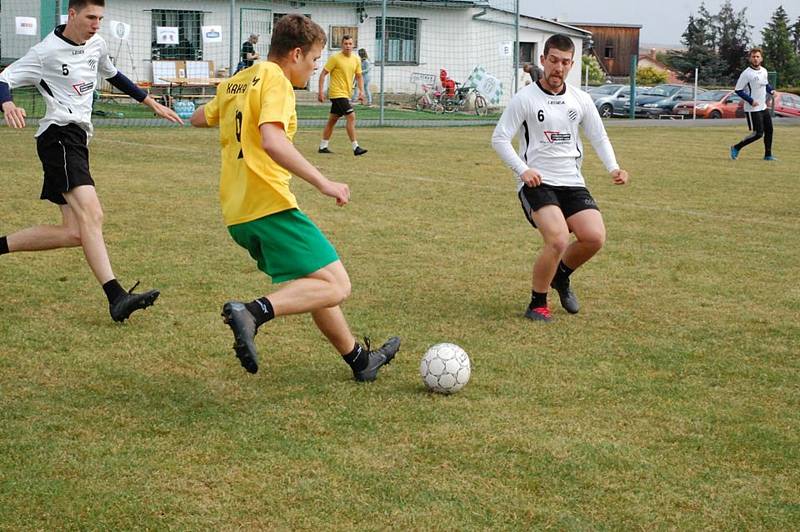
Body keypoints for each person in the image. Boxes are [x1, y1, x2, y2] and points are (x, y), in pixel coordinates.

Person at [189, 14, 400, 379]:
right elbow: (272, 139)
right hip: (268, 204)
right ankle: (253, 312)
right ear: (296, 54)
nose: (316, 66)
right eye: (316, 59)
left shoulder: (238, 80)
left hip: (238, 212)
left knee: (316, 282)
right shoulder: (276, 79)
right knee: (337, 284)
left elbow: (198, 117)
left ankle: (360, 362)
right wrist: (324, 182)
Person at [0, 0, 183, 322]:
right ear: (72, 15)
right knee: (93, 214)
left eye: (100, 17)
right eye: (90, 17)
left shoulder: (96, 44)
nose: (96, 23)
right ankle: (117, 296)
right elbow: (4, 78)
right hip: (59, 136)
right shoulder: (46, 52)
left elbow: (114, 75)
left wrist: (152, 103)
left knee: (75, 232)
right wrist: (7, 104)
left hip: (78, 140)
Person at [491, 33, 629, 323]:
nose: (558, 67)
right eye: (553, 60)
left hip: (572, 181)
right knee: (557, 239)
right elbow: (500, 139)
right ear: (543, 60)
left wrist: (613, 167)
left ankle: (561, 276)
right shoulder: (525, 98)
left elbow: (598, 135)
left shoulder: (580, 99)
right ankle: (537, 304)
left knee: (594, 237)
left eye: (565, 62)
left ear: (572, 65)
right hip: (537, 182)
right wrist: (523, 170)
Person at [317, 35, 367, 156]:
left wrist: (361, 91)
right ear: (342, 45)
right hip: (336, 93)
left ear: (353, 45)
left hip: (346, 93)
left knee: (332, 121)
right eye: (345, 44)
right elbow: (323, 74)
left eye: (350, 44)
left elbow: (359, 76)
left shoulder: (356, 59)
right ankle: (356, 148)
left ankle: (323, 146)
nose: (348, 46)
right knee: (351, 116)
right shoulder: (335, 58)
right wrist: (320, 91)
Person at [730, 48, 776, 161]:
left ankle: (768, 155)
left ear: (761, 58)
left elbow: (765, 85)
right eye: (753, 57)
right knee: (758, 133)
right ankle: (736, 147)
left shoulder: (764, 71)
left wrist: (771, 91)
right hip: (752, 108)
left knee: (769, 130)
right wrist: (751, 100)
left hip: (763, 107)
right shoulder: (746, 74)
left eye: (757, 57)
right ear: (750, 58)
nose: (755, 59)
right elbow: (738, 90)